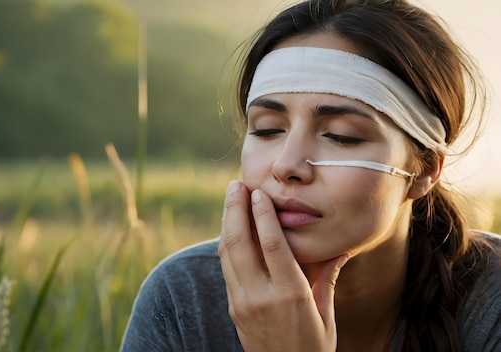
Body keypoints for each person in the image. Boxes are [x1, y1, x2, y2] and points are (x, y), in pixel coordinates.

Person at [120, 0, 501, 351]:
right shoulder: (183, 299)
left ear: (424, 170)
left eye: (342, 136)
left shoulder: (491, 305)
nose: (286, 166)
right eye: (267, 129)